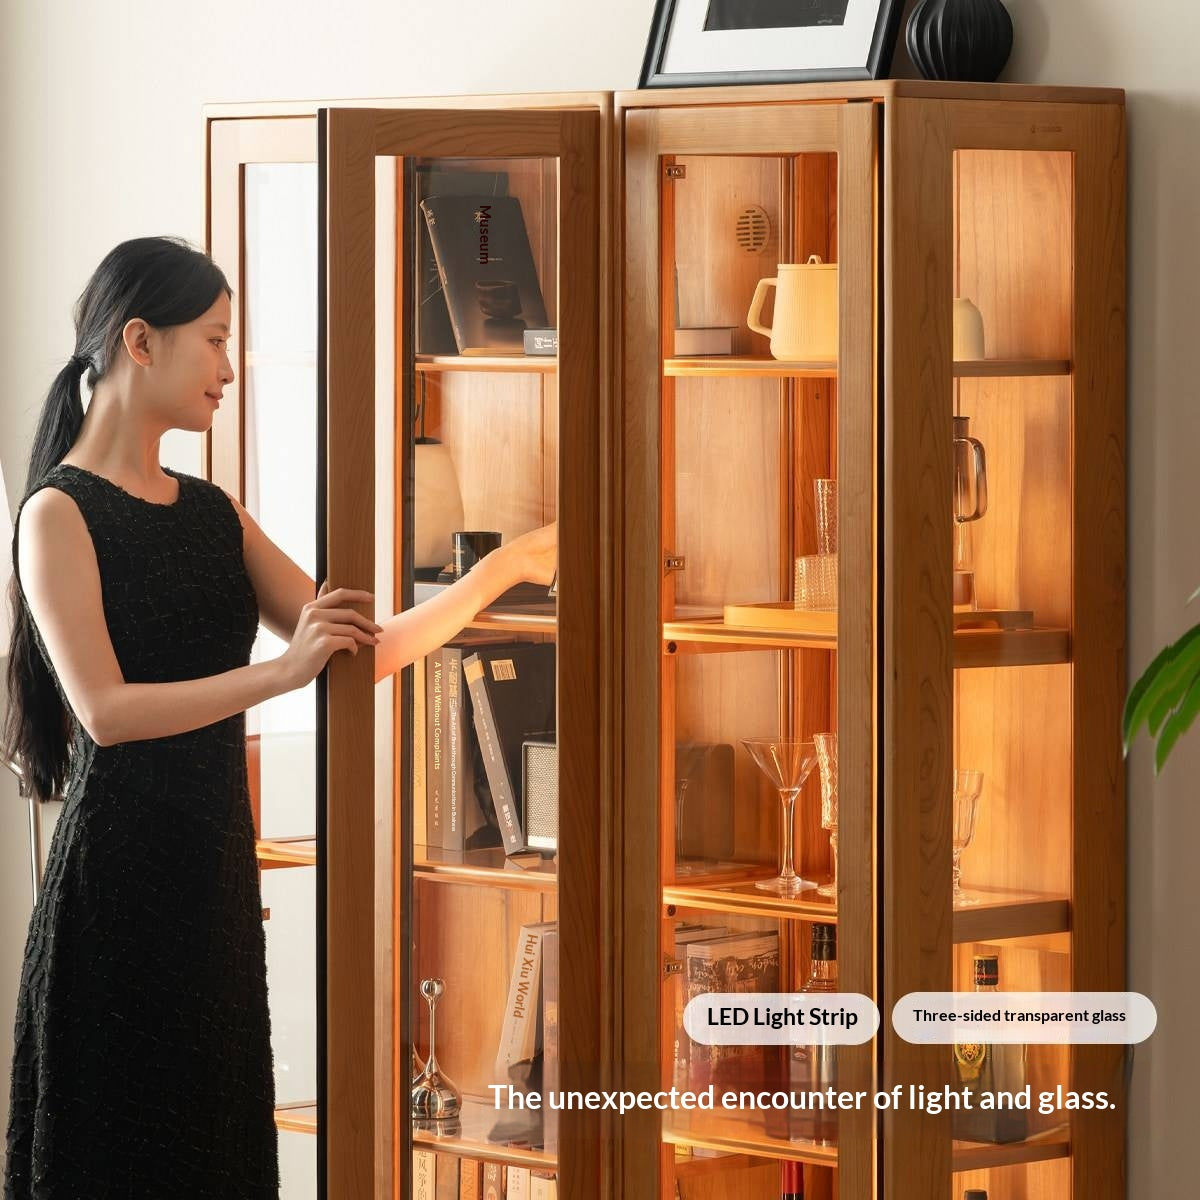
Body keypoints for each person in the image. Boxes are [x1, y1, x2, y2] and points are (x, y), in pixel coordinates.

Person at [1, 235, 556, 1197]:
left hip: (211, 887)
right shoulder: (58, 514)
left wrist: (501, 571)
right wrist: (280, 673)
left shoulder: (218, 514)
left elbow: (362, 648)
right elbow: (107, 713)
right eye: (213, 341)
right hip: (116, 900)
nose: (227, 369)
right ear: (139, 340)